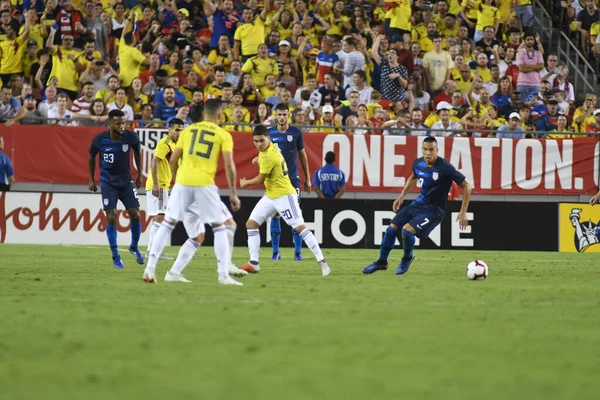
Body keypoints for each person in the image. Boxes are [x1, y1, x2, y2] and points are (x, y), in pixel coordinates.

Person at [142, 99, 243, 286]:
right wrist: (233, 193)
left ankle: (153, 269)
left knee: (172, 226)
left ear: (204, 114)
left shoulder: (187, 131)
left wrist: (176, 181)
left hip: (182, 183)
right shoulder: (222, 134)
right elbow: (229, 165)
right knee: (222, 226)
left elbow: (173, 160)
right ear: (220, 115)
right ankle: (223, 273)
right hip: (203, 184)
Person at [363, 136, 472, 275]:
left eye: (431, 150)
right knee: (391, 230)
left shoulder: (445, 168)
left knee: (406, 231)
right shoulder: (418, 163)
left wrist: (463, 212)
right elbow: (413, 177)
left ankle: (408, 257)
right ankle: (381, 262)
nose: (427, 153)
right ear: (421, 149)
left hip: (434, 211)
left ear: (437, 150)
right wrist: (401, 196)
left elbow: (467, 186)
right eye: (425, 149)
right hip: (418, 204)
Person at [238, 125, 331, 276]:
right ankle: (254, 263)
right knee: (251, 224)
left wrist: (246, 182)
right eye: (255, 141)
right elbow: (268, 161)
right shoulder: (271, 147)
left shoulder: (269, 155)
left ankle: (322, 261)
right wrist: (259, 161)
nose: (258, 144)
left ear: (268, 138)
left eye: (261, 141)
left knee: (300, 227)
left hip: (285, 196)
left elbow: (261, 179)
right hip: (271, 195)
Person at [88, 109, 144, 269]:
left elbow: (138, 152)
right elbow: (91, 155)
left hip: (126, 183)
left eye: (124, 122)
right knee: (111, 216)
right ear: (110, 123)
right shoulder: (99, 139)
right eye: (118, 123)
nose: (122, 126)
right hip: (108, 184)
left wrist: (139, 174)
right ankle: (115, 256)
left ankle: (134, 247)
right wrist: (91, 179)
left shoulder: (131, 137)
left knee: (135, 214)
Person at [267, 103, 311, 261]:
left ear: (288, 115)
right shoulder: (269, 133)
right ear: (275, 115)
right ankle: (275, 253)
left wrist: (307, 178)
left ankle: (298, 253)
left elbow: (303, 156)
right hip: (275, 180)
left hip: (293, 179)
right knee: (275, 214)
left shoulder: (296, 132)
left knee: (296, 214)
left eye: (284, 115)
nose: (282, 117)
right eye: (279, 115)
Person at [145, 119, 184, 262]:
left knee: (159, 217)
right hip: (159, 184)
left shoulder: (174, 145)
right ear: (170, 130)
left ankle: (152, 250)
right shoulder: (165, 143)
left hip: (164, 184)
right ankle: (154, 251)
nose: (180, 132)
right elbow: (154, 161)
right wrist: (156, 184)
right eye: (177, 130)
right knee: (160, 217)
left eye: (182, 129)